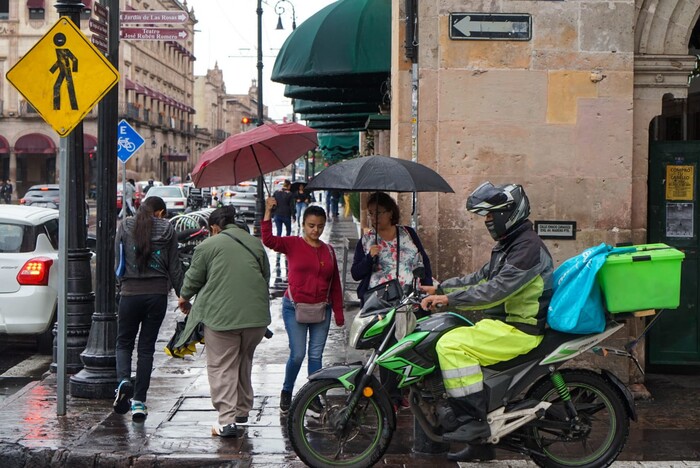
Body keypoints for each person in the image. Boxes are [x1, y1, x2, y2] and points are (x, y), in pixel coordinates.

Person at [420, 182, 553, 462]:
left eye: (491, 215)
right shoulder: (510, 245)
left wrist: (450, 300)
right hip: (502, 324)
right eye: (486, 216)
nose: (488, 221)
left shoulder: (526, 248)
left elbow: (495, 291)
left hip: (519, 328)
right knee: (448, 332)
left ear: (509, 213)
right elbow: (479, 278)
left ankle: (473, 420)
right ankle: (481, 445)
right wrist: (442, 289)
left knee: (451, 346)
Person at [177, 205, 271, 437]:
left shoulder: (209, 245)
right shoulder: (254, 243)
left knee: (222, 366)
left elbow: (193, 278)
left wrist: (184, 297)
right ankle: (242, 412)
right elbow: (265, 277)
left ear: (215, 228)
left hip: (222, 318)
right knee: (243, 362)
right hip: (256, 319)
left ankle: (227, 421)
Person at [350, 191, 433, 407]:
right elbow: (356, 273)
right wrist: (370, 258)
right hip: (382, 303)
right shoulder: (367, 240)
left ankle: (407, 390)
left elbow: (423, 260)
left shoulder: (408, 233)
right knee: (387, 349)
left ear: (390, 213)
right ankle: (391, 398)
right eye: (370, 214)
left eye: (378, 213)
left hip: (410, 299)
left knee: (409, 345)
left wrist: (428, 286)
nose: (374, 218)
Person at [262, 197, 344, 414]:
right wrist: (268, 212)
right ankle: (287, 391)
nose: (315, 230)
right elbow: (269, 240)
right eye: (311, 226)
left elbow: (335, 282)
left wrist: (339, 312)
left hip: (322, 309)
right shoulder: (293, 244)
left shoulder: (329, 251)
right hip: (294, 307)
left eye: (319, 226)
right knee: (298, 354)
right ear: (303, 224)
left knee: (316, 356)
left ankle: (314, 396)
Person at [113, 196, 183, 422]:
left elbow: (118, 262)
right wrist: (183, 297)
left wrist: (121, 287)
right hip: (156, 295)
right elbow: (175, 266)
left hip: (130, 294)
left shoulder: (125, 225)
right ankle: (139, 403)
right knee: (146, 349)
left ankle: (123, 380)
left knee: (124, 343)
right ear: (160, 212)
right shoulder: (167, 228)